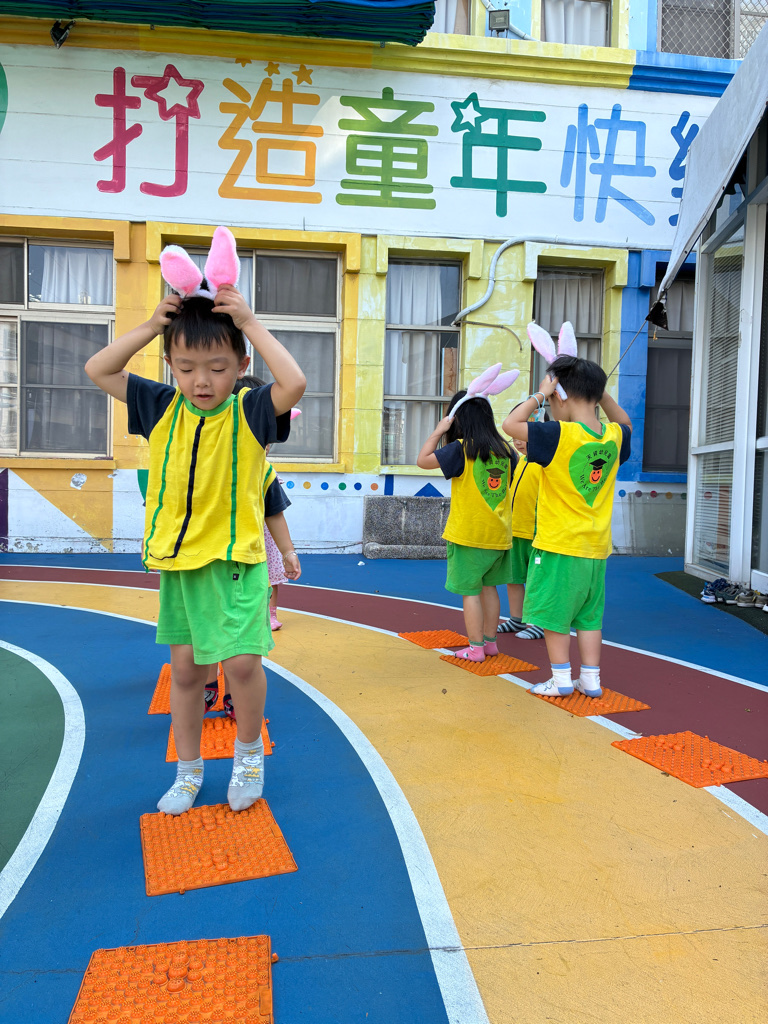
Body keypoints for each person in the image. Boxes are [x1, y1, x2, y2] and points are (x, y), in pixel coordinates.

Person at [84, 253, 306, 815]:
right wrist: (150, 326)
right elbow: (99, 369)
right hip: (180, 564)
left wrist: (249, 321)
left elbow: (295, 382)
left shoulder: (251, 411)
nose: (201, 381)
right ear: (170, 365)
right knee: (185, 672)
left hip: (235, 562)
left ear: (240, 364)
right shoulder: (160, 406)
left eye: (216, 367)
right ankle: (188, 771)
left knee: (242, 665)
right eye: (185, 367)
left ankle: (248, 755)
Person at [502, 356, 631, 698]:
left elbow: (510, 424)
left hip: (558, 545)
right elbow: (625, 422)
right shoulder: (614, 436)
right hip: (596, 549)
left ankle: (560, 678)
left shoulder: (558, 434)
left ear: (560, 395)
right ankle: (590, 679)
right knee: (589, 617)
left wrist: (539, 394)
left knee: (553, 615)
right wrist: (601, 395)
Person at [205, 374, 301, 717]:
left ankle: (232, 693)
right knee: (208, 626)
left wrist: (288, 552)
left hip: (248, 564)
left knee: (242, 636)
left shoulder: (262, 468)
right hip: (205, 563)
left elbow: (274, 511)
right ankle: (208, 684)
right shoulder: (201, 460)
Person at [417, 390, 517, 662]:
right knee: (489, 589)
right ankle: (490, 644)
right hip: (499, 535)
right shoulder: (506, 450)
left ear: (458, 418)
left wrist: (439, 430)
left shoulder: (462, 448)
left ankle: (475, 649)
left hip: (469, 535)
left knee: (470, 593)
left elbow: (423, 460)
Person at [497, 435, 544, 639]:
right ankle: (517, 619)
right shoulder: (521, 460)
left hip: (536, 532)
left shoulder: (544, 462)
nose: (517, 442)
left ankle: (540, 623)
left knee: (538, 581)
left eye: (522, 438)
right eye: (514, 438)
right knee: (513, 578)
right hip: (515, 530)